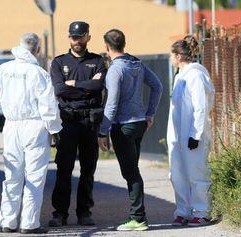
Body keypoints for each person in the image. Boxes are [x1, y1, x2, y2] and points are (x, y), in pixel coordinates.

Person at [0, 33, 62, 234]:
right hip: (35, 126)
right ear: (37, 49)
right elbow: (48, 106)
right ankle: (29, 224)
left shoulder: (3, 70)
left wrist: (9, 107)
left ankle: (7, 221)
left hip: (11, 125)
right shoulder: (38, 73)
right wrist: (54, 129)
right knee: (35, 175)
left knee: (12, 174)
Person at [98, 29, 163, 231]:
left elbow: (112, 103)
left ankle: (138, 218)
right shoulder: (137, 63)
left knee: (131, 173)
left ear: (106, 46)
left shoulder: (115, 70)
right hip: (138, 123)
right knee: (132, 170)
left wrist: (102, 131)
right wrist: (149, 113)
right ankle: (137, 215)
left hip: (123, 126)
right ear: (124, 44)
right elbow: (157, 86)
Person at [49, 21, 107, 227]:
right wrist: (86, 88)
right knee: (64, 168)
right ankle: (60, 213)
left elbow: (99, 85)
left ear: (88, 37)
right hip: (68, 120)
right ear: (69, 38)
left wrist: (75, 85)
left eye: (81, 37)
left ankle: (84, 212)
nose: (77, 41)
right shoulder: (58, 62)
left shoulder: (97, 61)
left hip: (89, 120)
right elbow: (59, 90)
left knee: (88, 168)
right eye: (74, 37)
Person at [167, 36, 215, 227]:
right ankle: (183, 211)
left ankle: (202, 211)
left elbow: (200, 107)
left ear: (178, 56)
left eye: (171, 55)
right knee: (177, 173)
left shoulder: (196, 74)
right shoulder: (180, 76)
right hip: (178, 136)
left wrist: (196, 134)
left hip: (192, 135)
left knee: (196, 172)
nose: (171, 59)